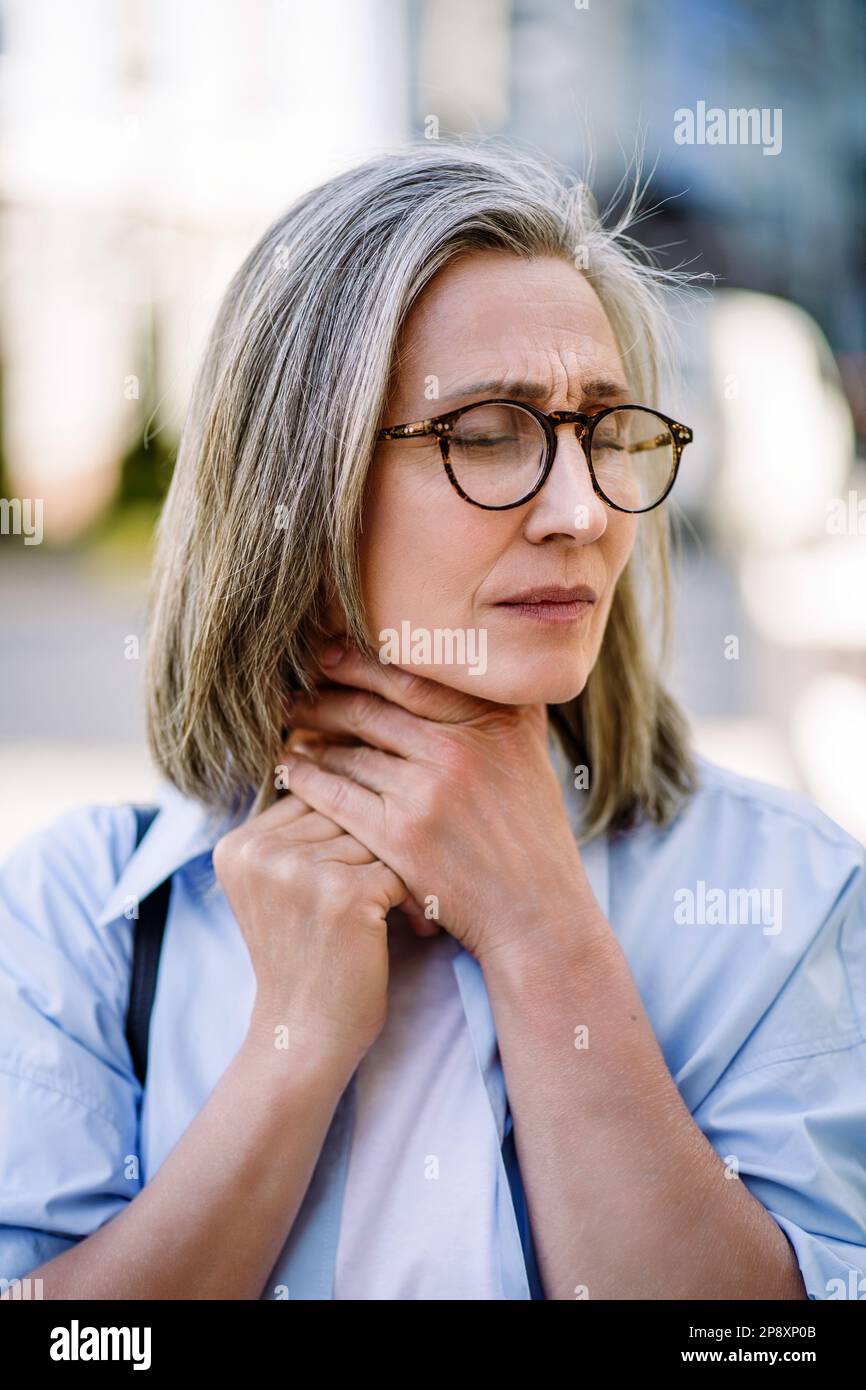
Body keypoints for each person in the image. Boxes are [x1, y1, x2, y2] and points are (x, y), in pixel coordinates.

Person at [1, 142, 864, 1301]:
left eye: (606, 430)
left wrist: (542, 934)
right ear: (296, 483)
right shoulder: (80, 919)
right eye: (485, 433)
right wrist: (292, 1050)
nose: (579, 510)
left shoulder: (786, 895)